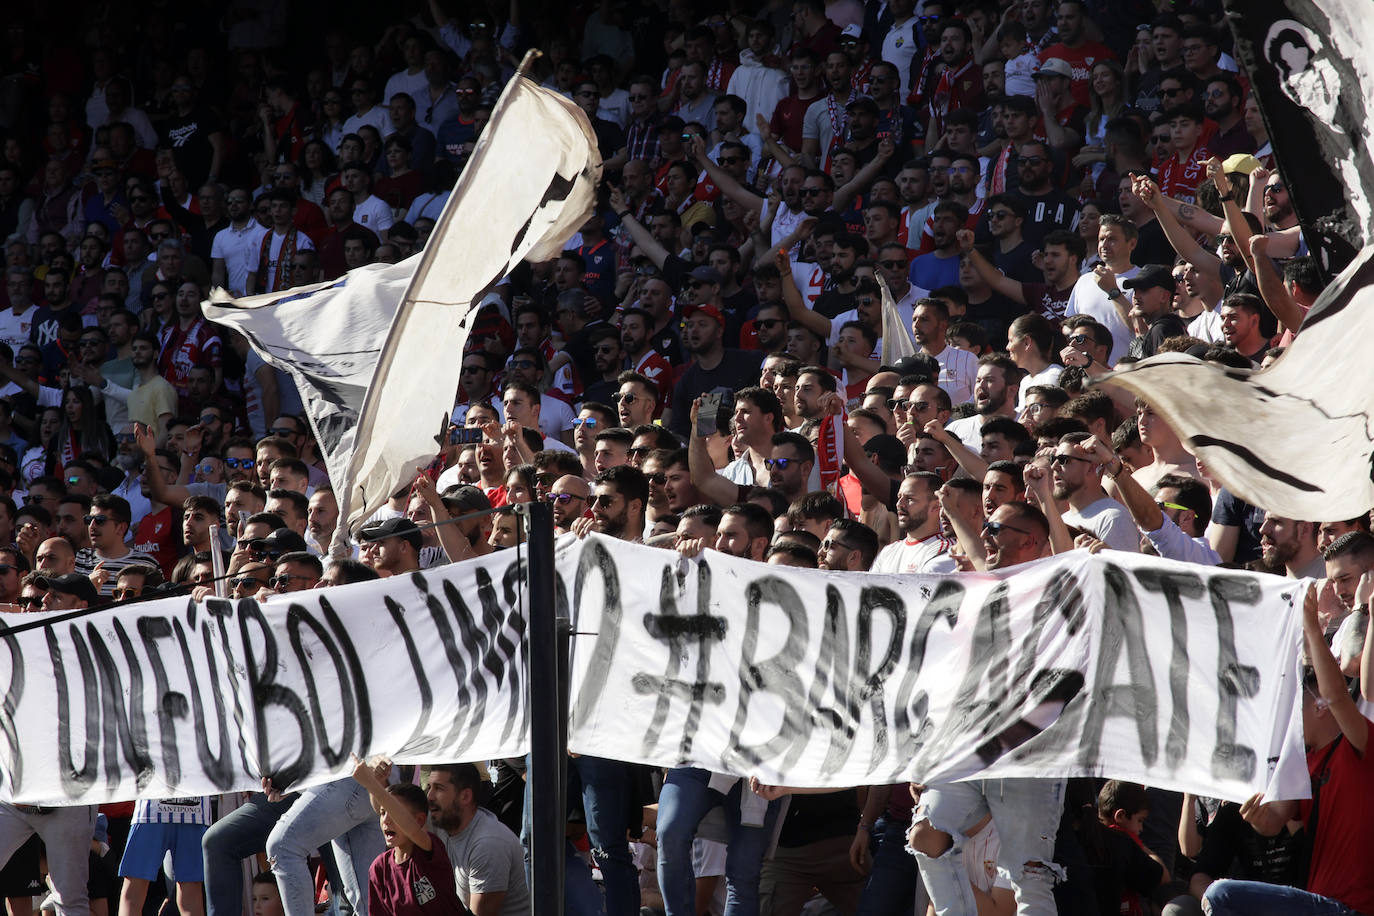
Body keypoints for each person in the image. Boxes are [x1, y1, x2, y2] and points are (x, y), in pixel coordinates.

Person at [352, 759, 465, 916]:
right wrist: (377, 782)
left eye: (393, 813)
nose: (385, 820)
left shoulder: (429, 849)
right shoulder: (379, 868)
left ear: (419, 820)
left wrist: (372, 784)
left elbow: (411, 830)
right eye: (383, 813)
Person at [425, 764, 530, 916]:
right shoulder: (444, 820)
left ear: (465, 796)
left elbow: (479, 914)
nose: (430, 796)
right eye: (429, 787)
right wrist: (379, 784)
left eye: (439, 788)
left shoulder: (488, 843)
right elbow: (399, 819)